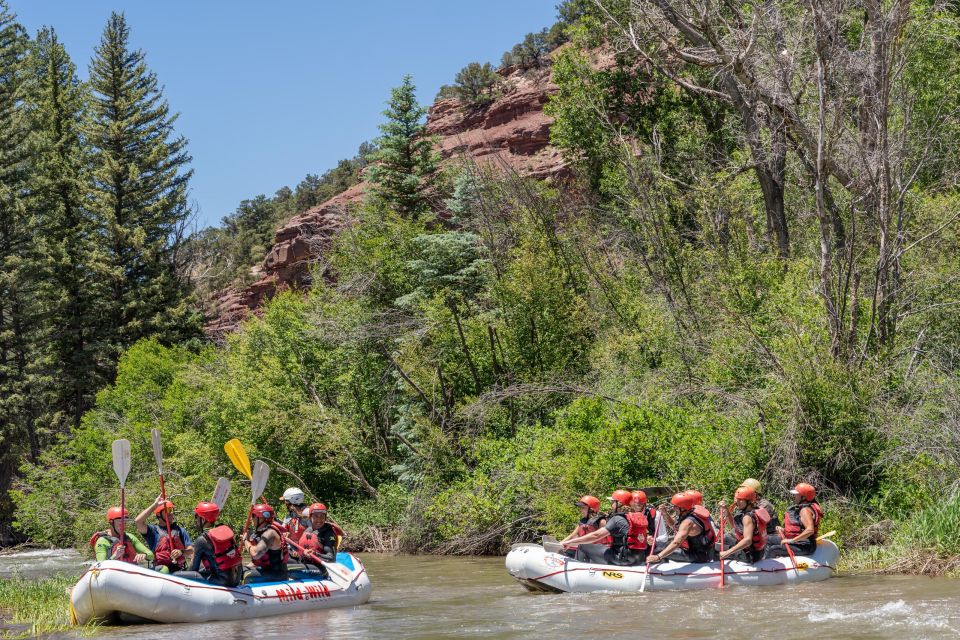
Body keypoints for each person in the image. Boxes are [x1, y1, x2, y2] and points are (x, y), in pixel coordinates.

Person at [562, 490, 648, 566]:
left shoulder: (617, 519)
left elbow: (596, 535)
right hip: (639, 559)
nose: (611, 505)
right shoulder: (635, 517)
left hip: (622, 559)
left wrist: (570, 542)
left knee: (582, 546)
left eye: (613, 502)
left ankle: (578, 572)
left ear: (619, 503)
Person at [647, 492, 717, 564]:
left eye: (675, 506)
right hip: (704, 552)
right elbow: (674, 526)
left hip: (699, 556)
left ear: (682, 508)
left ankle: (662, 570)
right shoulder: (692, 512)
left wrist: (658, 557)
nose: (673, 508)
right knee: (661, 545)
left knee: (658, 550)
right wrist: (665, 513)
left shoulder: (688, 522)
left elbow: (676, 542)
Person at [186, 501, 242, 587]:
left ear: (203, 519)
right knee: (202, 568)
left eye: (196, 516)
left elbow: (193, 570)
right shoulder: (225, 531)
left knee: (178, 575)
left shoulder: (202, 540)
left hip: (221, 581)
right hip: (235, 580)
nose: (195, 520)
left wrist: (192, 559)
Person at [135, 496, 194, 574]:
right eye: (168, 510)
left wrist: (181, 552)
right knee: (164, 569)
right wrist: (155, 505)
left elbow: (191, 550)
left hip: (179, 570)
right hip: (160, 570)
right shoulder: (152, 531)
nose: (171, 513)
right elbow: (138, 521)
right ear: (159, 514)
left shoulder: (180, 530)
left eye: (172, 510)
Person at [768, 483, 823, 558]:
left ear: (803, 497)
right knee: (767, 539)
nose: (794, 497)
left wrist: (792, 540)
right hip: (799, 542)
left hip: (805, 545)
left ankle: (765, 568)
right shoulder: (803, 508)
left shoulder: (805, 511)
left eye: (797, 495)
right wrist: (784, 530)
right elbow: (800, 529)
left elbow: (810, 530)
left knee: (773, 549)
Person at [718, 486, 770, 563]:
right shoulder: (754, 510)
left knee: (717, 550)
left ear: (749, 501)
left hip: (750, 555)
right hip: (756, 551)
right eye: (737, 499)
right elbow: (735, 527)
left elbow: (748, 540)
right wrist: (727, 511)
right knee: (725, 539)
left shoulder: (747, 517)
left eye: (740, 500)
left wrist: (727, 553)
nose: (736, 502)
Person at [245, 503, 289, 580]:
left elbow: (255, 554)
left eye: (253, 516)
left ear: (262, 518)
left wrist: (245, 541)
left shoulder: (270, 534)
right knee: (239, 570)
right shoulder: (259, 533)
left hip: (276, 574)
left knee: (245, 574)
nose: (251, 518)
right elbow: (255, 561)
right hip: (266, 570)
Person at [298, 503, 341, 573]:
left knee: (291, 568)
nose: (319, 520)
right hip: (306, 562)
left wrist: (315, 554)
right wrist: (297, 553)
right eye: (316, 516)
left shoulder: (328, 534)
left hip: (322, 568)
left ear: (325, 518)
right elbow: (300, 550)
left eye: (322, 516)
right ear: (310, 517)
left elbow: (331, 558)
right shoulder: (308, 530)